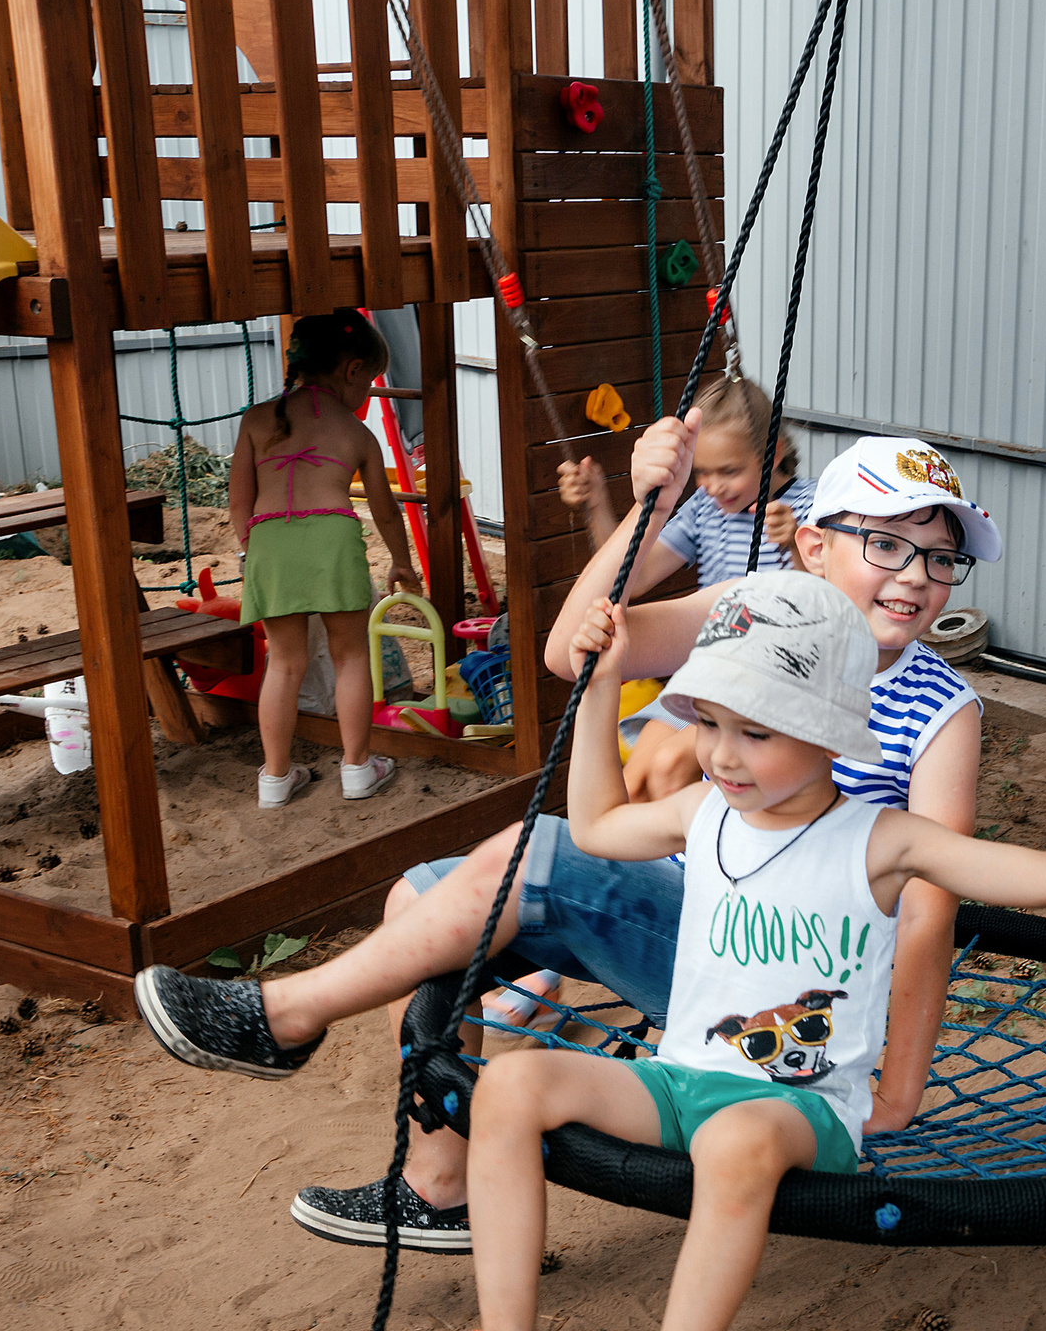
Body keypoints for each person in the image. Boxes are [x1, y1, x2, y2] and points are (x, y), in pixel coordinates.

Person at [338, 570, 1046, 1331]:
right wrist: (596, 692)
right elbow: (592, 826)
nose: (722, 754)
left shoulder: (879, 842)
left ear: (835, 733)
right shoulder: (701, 814)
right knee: (511, 1083)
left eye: (755, 732)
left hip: (802, 1116)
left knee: (733, 1143)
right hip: (681, 1079)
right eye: (711, 723)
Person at [132, 431, 1001, 1256]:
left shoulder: (940, 710)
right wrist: (648, 509)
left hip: (782, 972)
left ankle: (289, 1014)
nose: (915, 577)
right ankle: (438, 1191)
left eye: (940, 558)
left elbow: (929, 907)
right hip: (683, 917)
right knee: (419, 897)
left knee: (539, 856)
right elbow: (572, 650)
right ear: (812, 546)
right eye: (885, 545)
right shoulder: (751, 614)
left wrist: (902, 1085)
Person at [555, 373, 811, 805]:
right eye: (702, 474)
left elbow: (827, 607)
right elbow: (632, 578)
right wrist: (598, 504)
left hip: (767, 685)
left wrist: (795, 544)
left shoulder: (807, 506)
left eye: (729, 471)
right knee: (635, 783)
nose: (712, 487)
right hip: (703, 679)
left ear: (774, 452)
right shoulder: (705, 510)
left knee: (669, 770)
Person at [226, 310, 420, 809]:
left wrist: (257, 553)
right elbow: (385, 511)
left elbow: (238, 503)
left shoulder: (255, 419)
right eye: (371, 382)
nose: (370, 394)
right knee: (351, 655)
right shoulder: (356, 434)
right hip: (333, 538)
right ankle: (357, 769)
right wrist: (402, 562)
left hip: (269, 541)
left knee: (284, 663)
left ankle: (274, 778)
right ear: (352, 370)